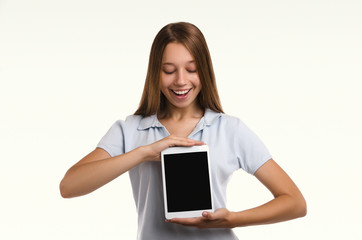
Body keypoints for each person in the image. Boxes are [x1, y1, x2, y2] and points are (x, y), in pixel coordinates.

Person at [59, 22, 306, 240]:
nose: (180, 80)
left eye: (191, 69)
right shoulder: (130, 129)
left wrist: (231, 219)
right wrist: (144, 153)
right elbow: (69, 186)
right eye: (168, 70)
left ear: (205, 71)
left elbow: (295, 203)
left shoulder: (230, 129)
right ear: (155, 73)